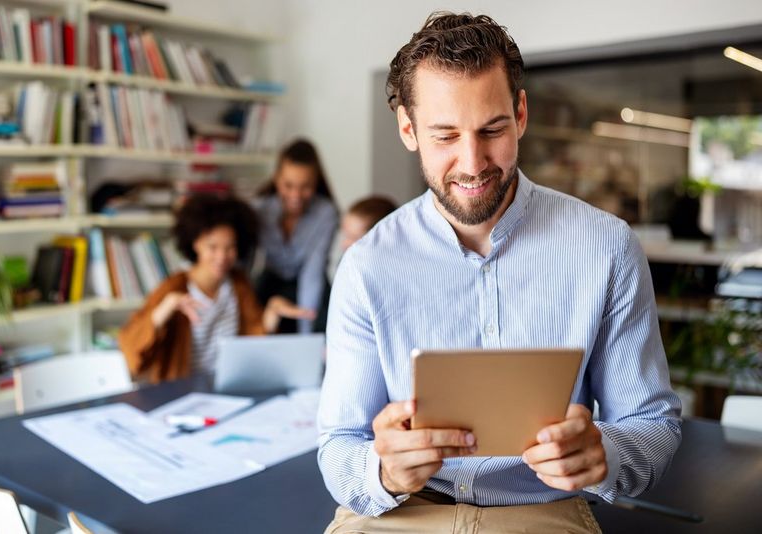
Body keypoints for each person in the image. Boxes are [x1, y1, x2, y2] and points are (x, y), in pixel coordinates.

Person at [318, 12, 681, 533]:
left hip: (543, 508)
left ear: (521, 113)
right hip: (400, 509)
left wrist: (606, 453)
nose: (472, 163)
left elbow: (653, 426)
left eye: (492, 129)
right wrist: (383, 471)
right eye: (445, 136)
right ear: (408, 130)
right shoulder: (366, 265)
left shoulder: (608, 248)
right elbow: (337, 446)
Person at [119, 194, 312, 383]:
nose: (222, 257)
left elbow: (253, 343)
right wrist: (164, 310)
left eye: (230, 248)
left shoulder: (239, 284)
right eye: (212, 247)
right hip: (182, 392)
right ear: (196, 244)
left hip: (229, 387)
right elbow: (132, 350)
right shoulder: (174, 287)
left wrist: (270, 317)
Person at [254, 138, 339, 333]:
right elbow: (245, 264)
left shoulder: (326, 214)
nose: (296, 195)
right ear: (277, 179)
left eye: (305, 186)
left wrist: (306, 332)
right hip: (271, 280)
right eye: (288, 185)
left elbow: (312, 273)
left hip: (310, 281)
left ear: (316, 182)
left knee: (321, 324)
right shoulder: (260, 210)